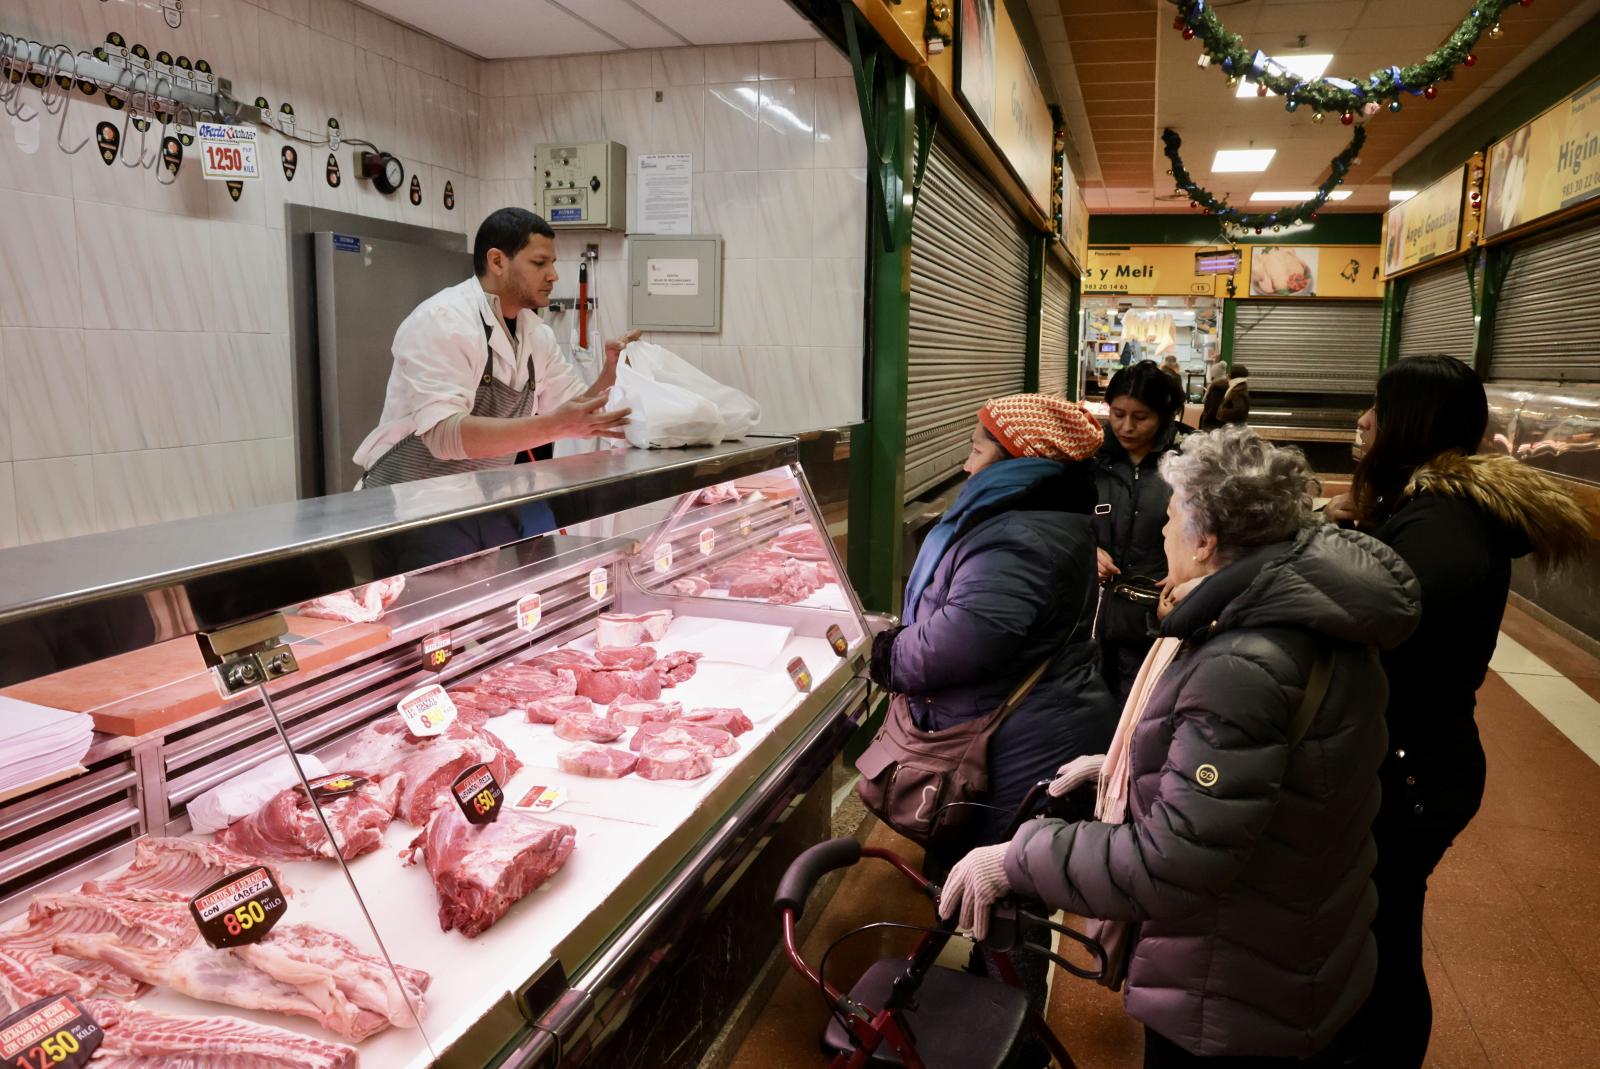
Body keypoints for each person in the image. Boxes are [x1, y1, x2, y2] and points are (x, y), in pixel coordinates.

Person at [938, 425, 1423, 1066]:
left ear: (1206, 540)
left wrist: (1017, 860)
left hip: (1235, 980)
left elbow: (1175, 860)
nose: (1161, 534)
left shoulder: (1244, 657)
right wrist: (1132, 763)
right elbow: (1277, 770)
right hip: (1294, 937)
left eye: (1169, 519)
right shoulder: (1310, 607)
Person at [1327, 357, 1588, 1068]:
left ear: (1409, 422)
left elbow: (1379, 622)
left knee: (1382, 940)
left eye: (1377, 407)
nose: (1365, 421)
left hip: (1414, 772)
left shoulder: (1444, 525)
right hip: (1416, 758)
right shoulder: (1425, 510)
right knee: (1375, 930)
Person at [870, 393, 1117, 1067]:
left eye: (978, 448)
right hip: (1027, 726)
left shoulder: (1018, 531)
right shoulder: (1031, 515)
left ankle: (1009, 1045)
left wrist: (889, 654)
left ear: (1016, 459)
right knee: (1002, 900)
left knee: (1008, 908)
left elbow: (970, 638)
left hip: (1022, 743)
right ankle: (997, 1023)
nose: (965, 459)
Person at [352, 208, 634, 569]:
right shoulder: (443, 321)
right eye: (539, 263)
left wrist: (611, 373)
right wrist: (556, 425)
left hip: (474, 506)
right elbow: (444, 435)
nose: (553, 275)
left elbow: (577, 410)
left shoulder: (536, 334)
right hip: (409, 514)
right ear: (497, 261)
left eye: (553, 263)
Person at [1092, 361, 1187, 705]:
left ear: (1165, 415)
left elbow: (1219, 530)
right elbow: (1062, 520)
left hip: (1161, 618)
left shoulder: (1189, 460)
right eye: (1117, 414)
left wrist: (1190, 573)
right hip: (1094, 617)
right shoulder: (1089, 454)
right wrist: (1086, 549)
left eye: (1141, 417)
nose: (1126, 427)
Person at [1199, 362, 1249, 429]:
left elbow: (1212, 408)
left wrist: (1222, 412)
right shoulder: (1233, 387)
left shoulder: (1218, 388)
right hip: (1227, 427)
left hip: (1214, 425)